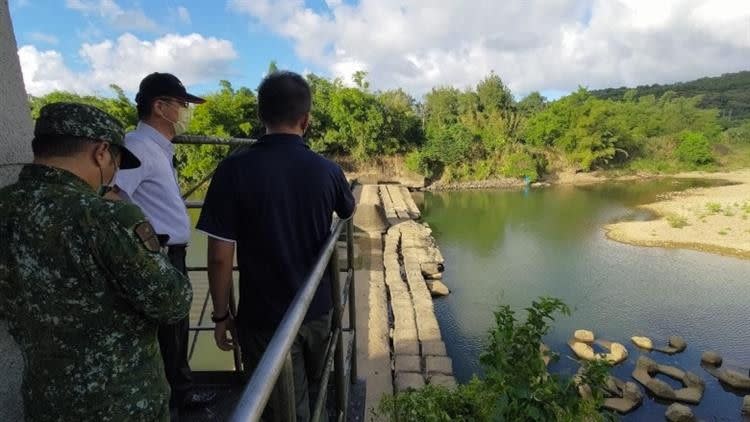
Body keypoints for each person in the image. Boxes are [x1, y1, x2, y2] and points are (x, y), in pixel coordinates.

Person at [0, 102, 193, 421]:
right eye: (117, 162)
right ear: (101, 152)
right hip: (124, 402)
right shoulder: (107, 217)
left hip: (45, 400)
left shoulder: (6, 208)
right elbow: (173, 302)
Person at [196, 70, 356, 421]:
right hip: (318, 306)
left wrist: (221, 315)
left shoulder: (232, 170)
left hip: (263, 317)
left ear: (261, 117)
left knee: (283, 407)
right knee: (319, 383)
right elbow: (347, 209)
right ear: (306, 120)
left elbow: (221, 257)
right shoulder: (326, 169)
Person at [110, 72, 214, 416]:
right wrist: (146, 240)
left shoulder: (156, 148)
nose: (186, 112)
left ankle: (180, 394)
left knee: (176, 328)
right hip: (158, 254)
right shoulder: (137, 147)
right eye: (182, 105)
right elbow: (112, 195)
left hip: (170, 252)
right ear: (160, 107)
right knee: (166, 331)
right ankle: (172, 402)